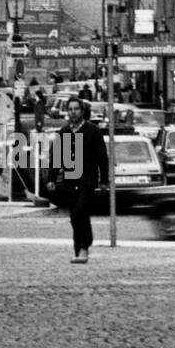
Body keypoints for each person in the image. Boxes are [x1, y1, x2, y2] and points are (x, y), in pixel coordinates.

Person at [52, 98, 109, 265]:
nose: (73, 112)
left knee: (80, 209)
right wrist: (52, 179)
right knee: (75, 215)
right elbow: (56, 157)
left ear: (82, 111)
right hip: (70, 179)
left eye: (76, 109)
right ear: (67, 112)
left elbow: (102, 157)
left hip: (88, 179)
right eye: (70, 109)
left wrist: (104, 179)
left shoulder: (92, 131)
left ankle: (84, 246)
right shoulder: (63, 133)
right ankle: (79, 249)